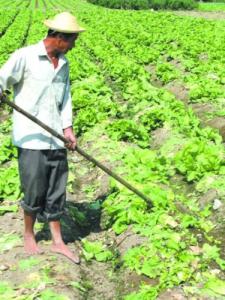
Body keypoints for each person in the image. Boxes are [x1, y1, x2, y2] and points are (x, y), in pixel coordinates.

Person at [0, 12, 85, 263]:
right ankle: (28, 233)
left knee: (57, 188)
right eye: (72, 40)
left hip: (55, 136)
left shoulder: (64, 64)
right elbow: (2, 78)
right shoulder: (25, 56)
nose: (73, 45)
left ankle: (57, 240)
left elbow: (65, 97)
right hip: (31, 137)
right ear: (58, 37)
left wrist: (67, 129)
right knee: (34, 188)